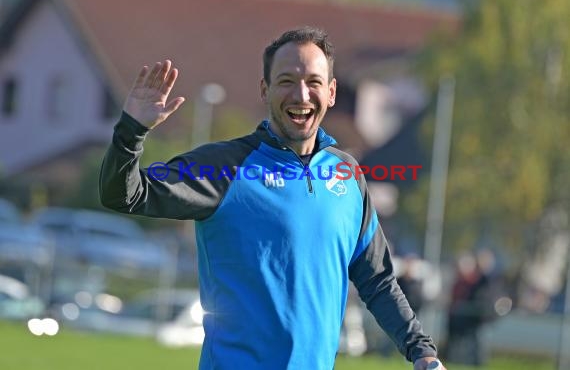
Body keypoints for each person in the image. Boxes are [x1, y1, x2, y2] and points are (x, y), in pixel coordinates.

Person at [99, 26, 445, 370]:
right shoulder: (224, 168)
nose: (301, 94)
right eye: (286, 81)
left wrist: (422, 351)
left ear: (332, 91)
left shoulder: (348, 176)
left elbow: (377, 281)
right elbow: (124, 195)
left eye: (313, 81)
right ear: (264, 90)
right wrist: (132, 130)